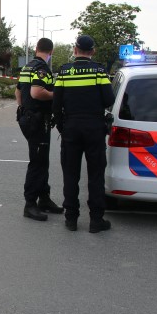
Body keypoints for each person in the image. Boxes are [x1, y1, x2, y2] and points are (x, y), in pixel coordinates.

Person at [52, 35, 115, 233]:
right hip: (94, 127)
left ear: (74, 49)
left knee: (70, 174)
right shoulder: (99, 71)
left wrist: (63, 126)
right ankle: (96, 220)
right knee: (95, 175)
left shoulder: (64, 71)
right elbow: (108, 99)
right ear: (93, 51)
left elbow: (56, 104)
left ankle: (71, 218)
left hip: (71, 127)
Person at [16, 38, 64, 221]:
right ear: (50, 52)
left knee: (41, 160)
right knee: (37, 162)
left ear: (36, 49)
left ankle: (44, 198)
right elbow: (37, 92)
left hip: (29, 118)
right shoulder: (42, 69)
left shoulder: (27, 67)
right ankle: (30, 204)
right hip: (37, 120)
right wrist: (56, 95)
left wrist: (23, 110)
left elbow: (18, 92)